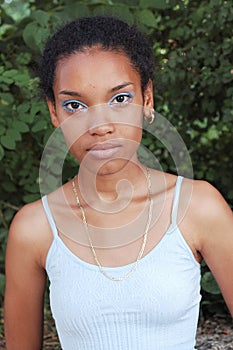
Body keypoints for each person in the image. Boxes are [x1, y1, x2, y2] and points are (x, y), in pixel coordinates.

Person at [4, 15, 233, 350]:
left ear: (147, 98)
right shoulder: (35, 228)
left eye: (120, 99)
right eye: (74, 105)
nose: (100, 125)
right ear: (54, 112)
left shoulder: (198, 207)